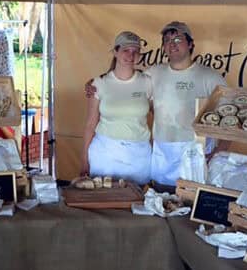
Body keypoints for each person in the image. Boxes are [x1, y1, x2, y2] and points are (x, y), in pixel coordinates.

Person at [86, 22, 226, 186]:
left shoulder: (210, 78)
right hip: (162, 153)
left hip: (195, 152)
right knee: (162, 201)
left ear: (190, 44)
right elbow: (124, 81)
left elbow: (230, 122)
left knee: (190, 202)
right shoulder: (153, 74)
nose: (171, 45)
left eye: (177, 39)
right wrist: (95, 83)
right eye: (167, 40)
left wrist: (217, 154)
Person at [81, 31, 152, 184]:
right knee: (104, 201)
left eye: (135, 51)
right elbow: (90, 125)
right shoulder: (98, 83)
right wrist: (84, 161)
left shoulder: (148, 82)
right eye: (126, 50)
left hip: (138, 156)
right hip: (105, 154)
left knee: (136, 202)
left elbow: (161, 114)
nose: (130, 55)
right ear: (115, 52)